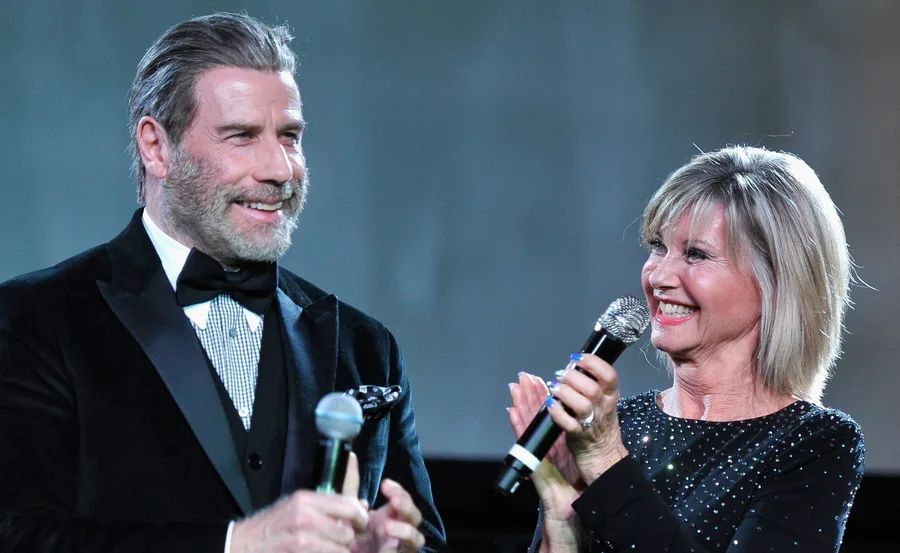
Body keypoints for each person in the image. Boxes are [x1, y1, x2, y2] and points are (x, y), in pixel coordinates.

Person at [0, 12, 448, 553]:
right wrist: (238, 543)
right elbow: (21, 536)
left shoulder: (365, 347)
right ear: (156, 147)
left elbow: (426, 542)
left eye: (290, 137)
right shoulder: (34, 319)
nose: (280, 169)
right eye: (242, 137)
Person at [508, 145, 865, 552]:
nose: (658, 275)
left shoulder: (815, 442)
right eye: (658, 246)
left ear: (776, 281)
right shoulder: (614, 426)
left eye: (696, 254)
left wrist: (606, 460)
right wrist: (561, 519)